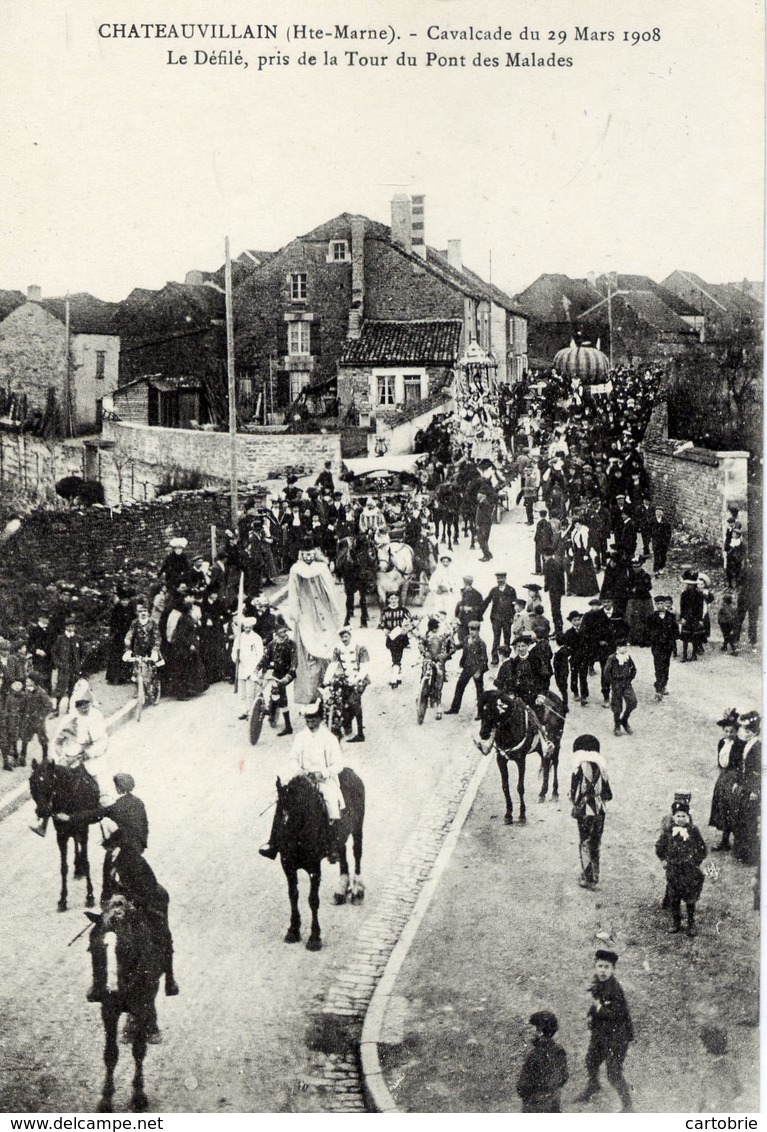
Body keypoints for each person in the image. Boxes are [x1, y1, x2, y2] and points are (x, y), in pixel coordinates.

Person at [259, 699, 345, 862]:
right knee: (283, 800)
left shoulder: (329, 738)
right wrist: (299, 771)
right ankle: (273, 843)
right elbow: (293, 758)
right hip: (302, 779)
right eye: (308, 719)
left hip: (322, 781)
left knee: (332, 804)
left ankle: (333, 846)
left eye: (313, 719)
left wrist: (323, 773)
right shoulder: (300, 737)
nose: (310, 722)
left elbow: (339, 764)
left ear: (320, 718)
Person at [575, 949, 634, 1112]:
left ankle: (628, 1106)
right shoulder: (597, 982)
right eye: (599, 966)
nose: (602, 970)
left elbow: (617, 1015)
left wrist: (599, 1008)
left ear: (613, 969)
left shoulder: (615, 990)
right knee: (591, 1060)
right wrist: (591, 1014)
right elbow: (595, 1001)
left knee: (614, 1072)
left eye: (606, 967)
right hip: (601, 1032)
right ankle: (593, 1085)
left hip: (617, 1037)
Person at [655, 797, 708, 937]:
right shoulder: (668, 831)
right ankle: (676, 922)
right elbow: (659, 847)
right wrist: (663, 860)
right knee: (674, 897)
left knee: (690, 897)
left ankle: (691, 924)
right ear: (673, 817)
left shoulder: (693, 831)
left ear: (688, 817)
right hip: (673, 870)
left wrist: (695, 862)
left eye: (683, 816)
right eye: (678, 816)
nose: (680, 819)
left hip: (689, 871)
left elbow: (702, 849)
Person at [569, 735, 612, 890]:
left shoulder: (577, 768)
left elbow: (573, 794)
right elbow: (608, 794)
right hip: (600, 810)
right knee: (596, 842)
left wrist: (575, 804)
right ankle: (596, 874)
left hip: (585, 810)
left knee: (585, 842)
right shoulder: (602, 767)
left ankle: (588, 877)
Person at [516, 1010, 569, 1113]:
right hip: (554, 1099)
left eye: (533, 1028)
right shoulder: (559, 1050)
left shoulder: (535, 1054)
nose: (529, 1032)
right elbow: (564, 1076)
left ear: (539, 1030)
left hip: (535, 1103)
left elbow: (523, 1084)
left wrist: (524, 1091)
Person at [323, 626, 370, 742]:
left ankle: (360, 734)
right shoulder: (338, 649)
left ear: (350, 635)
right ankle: (347, 727)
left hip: (359, 679)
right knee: (342, 702)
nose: (344, 639)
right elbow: (333, 665)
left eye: (346, 636)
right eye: (341, 637)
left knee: (354, 702)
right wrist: (326, 679)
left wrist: (356, 679)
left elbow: (364, 668)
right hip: (345, 679)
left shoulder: (360, 648)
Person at [258, 620, 298, 737]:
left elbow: (294, 662)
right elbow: (265, 658)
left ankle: (288, 726)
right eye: (279, 632)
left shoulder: (291, 644)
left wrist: (289, 674)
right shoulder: (272, 644)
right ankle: (272, 712)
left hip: (287, 673)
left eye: (283, 631)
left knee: (280, 692)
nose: (282, 633)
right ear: (275, 632)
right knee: (274, 691)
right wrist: (257, 669)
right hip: (276, 672)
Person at [53, 681, 109, 765]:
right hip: (68, 756)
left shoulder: (96, 716)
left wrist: (87, 754)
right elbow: (57, 741)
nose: (84, 709)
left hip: (88, 757)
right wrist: (61, 755)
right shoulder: (68, 719)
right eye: (81, 707)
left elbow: (101, 741)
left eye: (87, 706)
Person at [732, 710, 761, 866]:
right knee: (741, 817)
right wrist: (738, 781)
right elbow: (743, 766)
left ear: (755, 732)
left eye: (748, 730)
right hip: (745, 785)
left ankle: (750, 855)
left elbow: (759, 772)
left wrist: (756, 791)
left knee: (749, 821)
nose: (745, 733)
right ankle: (740, 850)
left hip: (752, 790)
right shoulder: (748, 743)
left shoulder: (758, 747)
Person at [445, 621, 488, 719]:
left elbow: (484, 659)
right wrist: (452, 644)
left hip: (477, 669)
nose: (472, 632)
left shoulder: (481, 643)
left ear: (478, 631)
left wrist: (479, 671)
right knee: (460, 686)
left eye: (474, 630)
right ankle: (454, 708)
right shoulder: (466, 639)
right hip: (467, 668)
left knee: (479, 691)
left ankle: (480, 713)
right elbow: (458, 647)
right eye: (470, 629)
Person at [232, 615, 265, 719]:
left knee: (251, 692)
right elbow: (234, 651)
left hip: (252, 666)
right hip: (242, 667)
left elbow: (260, 653)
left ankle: (251, 711)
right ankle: (244, 711)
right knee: (242, 692)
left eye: (249, 627)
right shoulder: (239, 638)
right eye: (245, 627)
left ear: (252, 627)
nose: (247, 629)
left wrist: (257, 668)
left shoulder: (256, 638)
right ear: (243, 627)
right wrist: (235, 658)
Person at [647, 595, 679, 701]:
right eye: (658, 604)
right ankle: (658, 688)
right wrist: (652, 639)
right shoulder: (651, 617)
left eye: (662, 603)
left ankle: (664, 684)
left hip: (667, 646)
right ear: (655, 605)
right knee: (658, 665)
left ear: (665, 604)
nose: (660, 606)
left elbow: (675, 630)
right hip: (657, 646)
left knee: (666, 665)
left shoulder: (670, 616)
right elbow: (647, 631)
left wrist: (672, 640)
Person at [603, 639, 637, 736]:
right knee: (617, 705)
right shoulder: (612, 658)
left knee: (633, 702)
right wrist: (613, 682)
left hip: (626, 683)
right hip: (617, 684)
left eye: (626, 646)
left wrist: (629, 679)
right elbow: (606, 672)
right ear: (618, 647)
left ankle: (624, 720)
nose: (626, 648)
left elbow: (634, 669)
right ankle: (617, 725)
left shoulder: (627, 657)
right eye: (624, 647)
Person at [482, 571, 517, 665]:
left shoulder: (511, 590)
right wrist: (479, 613)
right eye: (498, 578)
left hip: (507, 619)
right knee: (496, 638)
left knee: (507, 637)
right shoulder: (494, 590)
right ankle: (495, 657)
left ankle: (506, 656)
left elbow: (515, 605)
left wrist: (513, 616)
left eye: (501, 578)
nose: (499, 580)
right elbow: (486, 602)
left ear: (505, 578)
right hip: (496, 618)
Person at [50, 616, 83, 714]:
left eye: (73, 626)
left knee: (73, 689)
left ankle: (70, 709)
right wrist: (59, 664)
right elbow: (54, 652)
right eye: (69, 626)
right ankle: (56, 710)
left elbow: (83, 653)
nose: (71, 628)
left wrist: (80, 663)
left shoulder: (78, 639)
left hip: (74, 669)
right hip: (64, 668)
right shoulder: (61, 639)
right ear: (66, 627)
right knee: (60, 689)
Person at [379, 593, 412, 688]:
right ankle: (398, 675)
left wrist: (405, 630)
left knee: (398, 656)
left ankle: (394, 678)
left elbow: (409, 622)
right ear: (388, 600)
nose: (393, 600)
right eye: (391, 598)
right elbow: (382, 622)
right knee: (394, 655)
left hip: (401, 636)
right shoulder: (385, 611)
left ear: (398, 599)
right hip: (391, 636)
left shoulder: (403, 610)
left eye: (395, 598)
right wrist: (384, 629)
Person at [679, 569, 705, 661]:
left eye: (692, 585)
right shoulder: (684, 594)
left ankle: (694, 654)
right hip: (687, 617)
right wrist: (682, 617)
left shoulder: (699, 595)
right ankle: (684, 655)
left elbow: (700, 608)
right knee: (685, 638)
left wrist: (700, 619)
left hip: (695, 617)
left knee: (695, 637)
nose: (690, 586)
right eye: (688, 584)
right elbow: (682, 607)